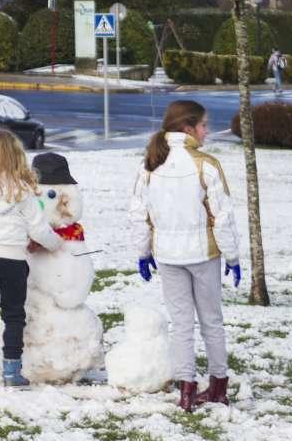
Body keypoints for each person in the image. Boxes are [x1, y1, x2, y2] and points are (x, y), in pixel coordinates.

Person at [128, 100, 241, 412]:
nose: (207, 131)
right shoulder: (206, 165)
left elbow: (139, 214)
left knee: (181, 325)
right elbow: (223, 216)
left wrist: (143, 252)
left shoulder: (149, 164)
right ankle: (218, 385)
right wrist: (232, 257)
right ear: (187, 128)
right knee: (211, 322)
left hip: (167, 255)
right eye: (204, 125)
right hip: (203, 255)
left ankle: (187, 390)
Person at [0, 129, 63, 387]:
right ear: (15, 155)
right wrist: (55, 243)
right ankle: (12, 371)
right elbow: (38, 229)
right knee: (14, 315)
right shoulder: (21, 190)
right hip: (12, 260)